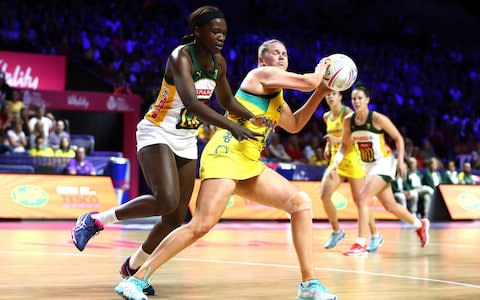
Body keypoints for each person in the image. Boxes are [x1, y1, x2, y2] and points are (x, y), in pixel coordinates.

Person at [114, 39, 336, 300]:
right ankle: (137, 279)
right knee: (201, 225)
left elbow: (296, 124)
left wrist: (320, 92)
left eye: (285, 54)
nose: (281, 57)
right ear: (262, 60)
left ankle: (308, 284)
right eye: (275, 53)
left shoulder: (277, 98)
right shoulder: (260, 75)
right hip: (226, 155)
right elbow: (308, 81)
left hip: (249, 163)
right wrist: (325, 69)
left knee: (300, 204)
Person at [71, 6, 264, 296]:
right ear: (198, 32)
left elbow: (226, 100)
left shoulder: (218, 63)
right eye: (214, 31)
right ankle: (96, 220)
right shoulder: (180, 57)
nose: (220, 37)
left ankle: (133, 267)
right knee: (166, 200)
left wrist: (250, 116)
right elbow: (194, 102)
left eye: (223, 32)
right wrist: (232, 127)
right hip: (156, 131)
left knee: (176, 217)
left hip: (186, 139)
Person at [327, 83, 430, 256]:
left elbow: (398, 138)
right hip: (368, 166)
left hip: (384, 162)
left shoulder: (377, 119)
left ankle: (360, 243)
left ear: (367, 100)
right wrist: (336, 163)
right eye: (354, 98)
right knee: (390, 205)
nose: (356, 101)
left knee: (362, 198)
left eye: (360, 98)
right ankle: (419, 224)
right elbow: (345, 145)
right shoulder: (348, 121)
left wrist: (401, 161)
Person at [320, 90, 381, 253]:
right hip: (337, 161)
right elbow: (330, 135)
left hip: (354, 160)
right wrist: (328, 146)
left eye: (334, 94)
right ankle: (337, 231)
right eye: (328, 95)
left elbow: (353, 138)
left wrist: (337, 140)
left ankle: (375, 235)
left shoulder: (348, 114)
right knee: (324, 195)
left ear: (340, 97)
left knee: (360, 201)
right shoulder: (326, 117)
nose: (330, 97)